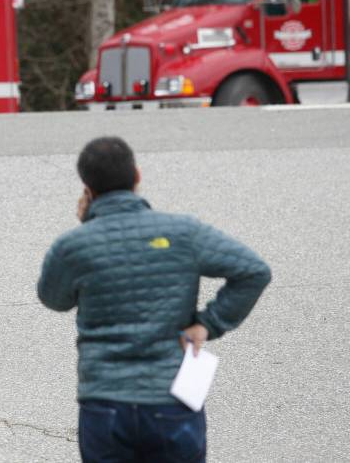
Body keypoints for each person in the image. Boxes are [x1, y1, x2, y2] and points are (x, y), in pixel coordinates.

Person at [37, 136, 271, 462]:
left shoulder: (73, 246)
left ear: (87, 188)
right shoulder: (183, 232)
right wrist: (208, 325)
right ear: (137, 175)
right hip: (172, 398)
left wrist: (87, 228)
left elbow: (54, 299)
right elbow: (254, 271)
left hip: (104, 403)